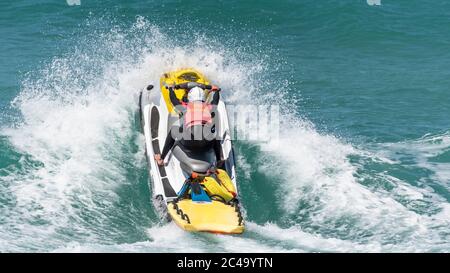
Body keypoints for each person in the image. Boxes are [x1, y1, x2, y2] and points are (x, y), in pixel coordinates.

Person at [154, 82, 224, 167]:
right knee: (214, 131)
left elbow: (173, 99)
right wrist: (215, 90)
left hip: (189, 145)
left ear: (190, 98)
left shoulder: (185, 107)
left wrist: (171, 89)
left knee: (174, 131)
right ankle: (219, 159)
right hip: (207, 146)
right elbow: (215, 99)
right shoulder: (210, 107)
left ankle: (161, 159)